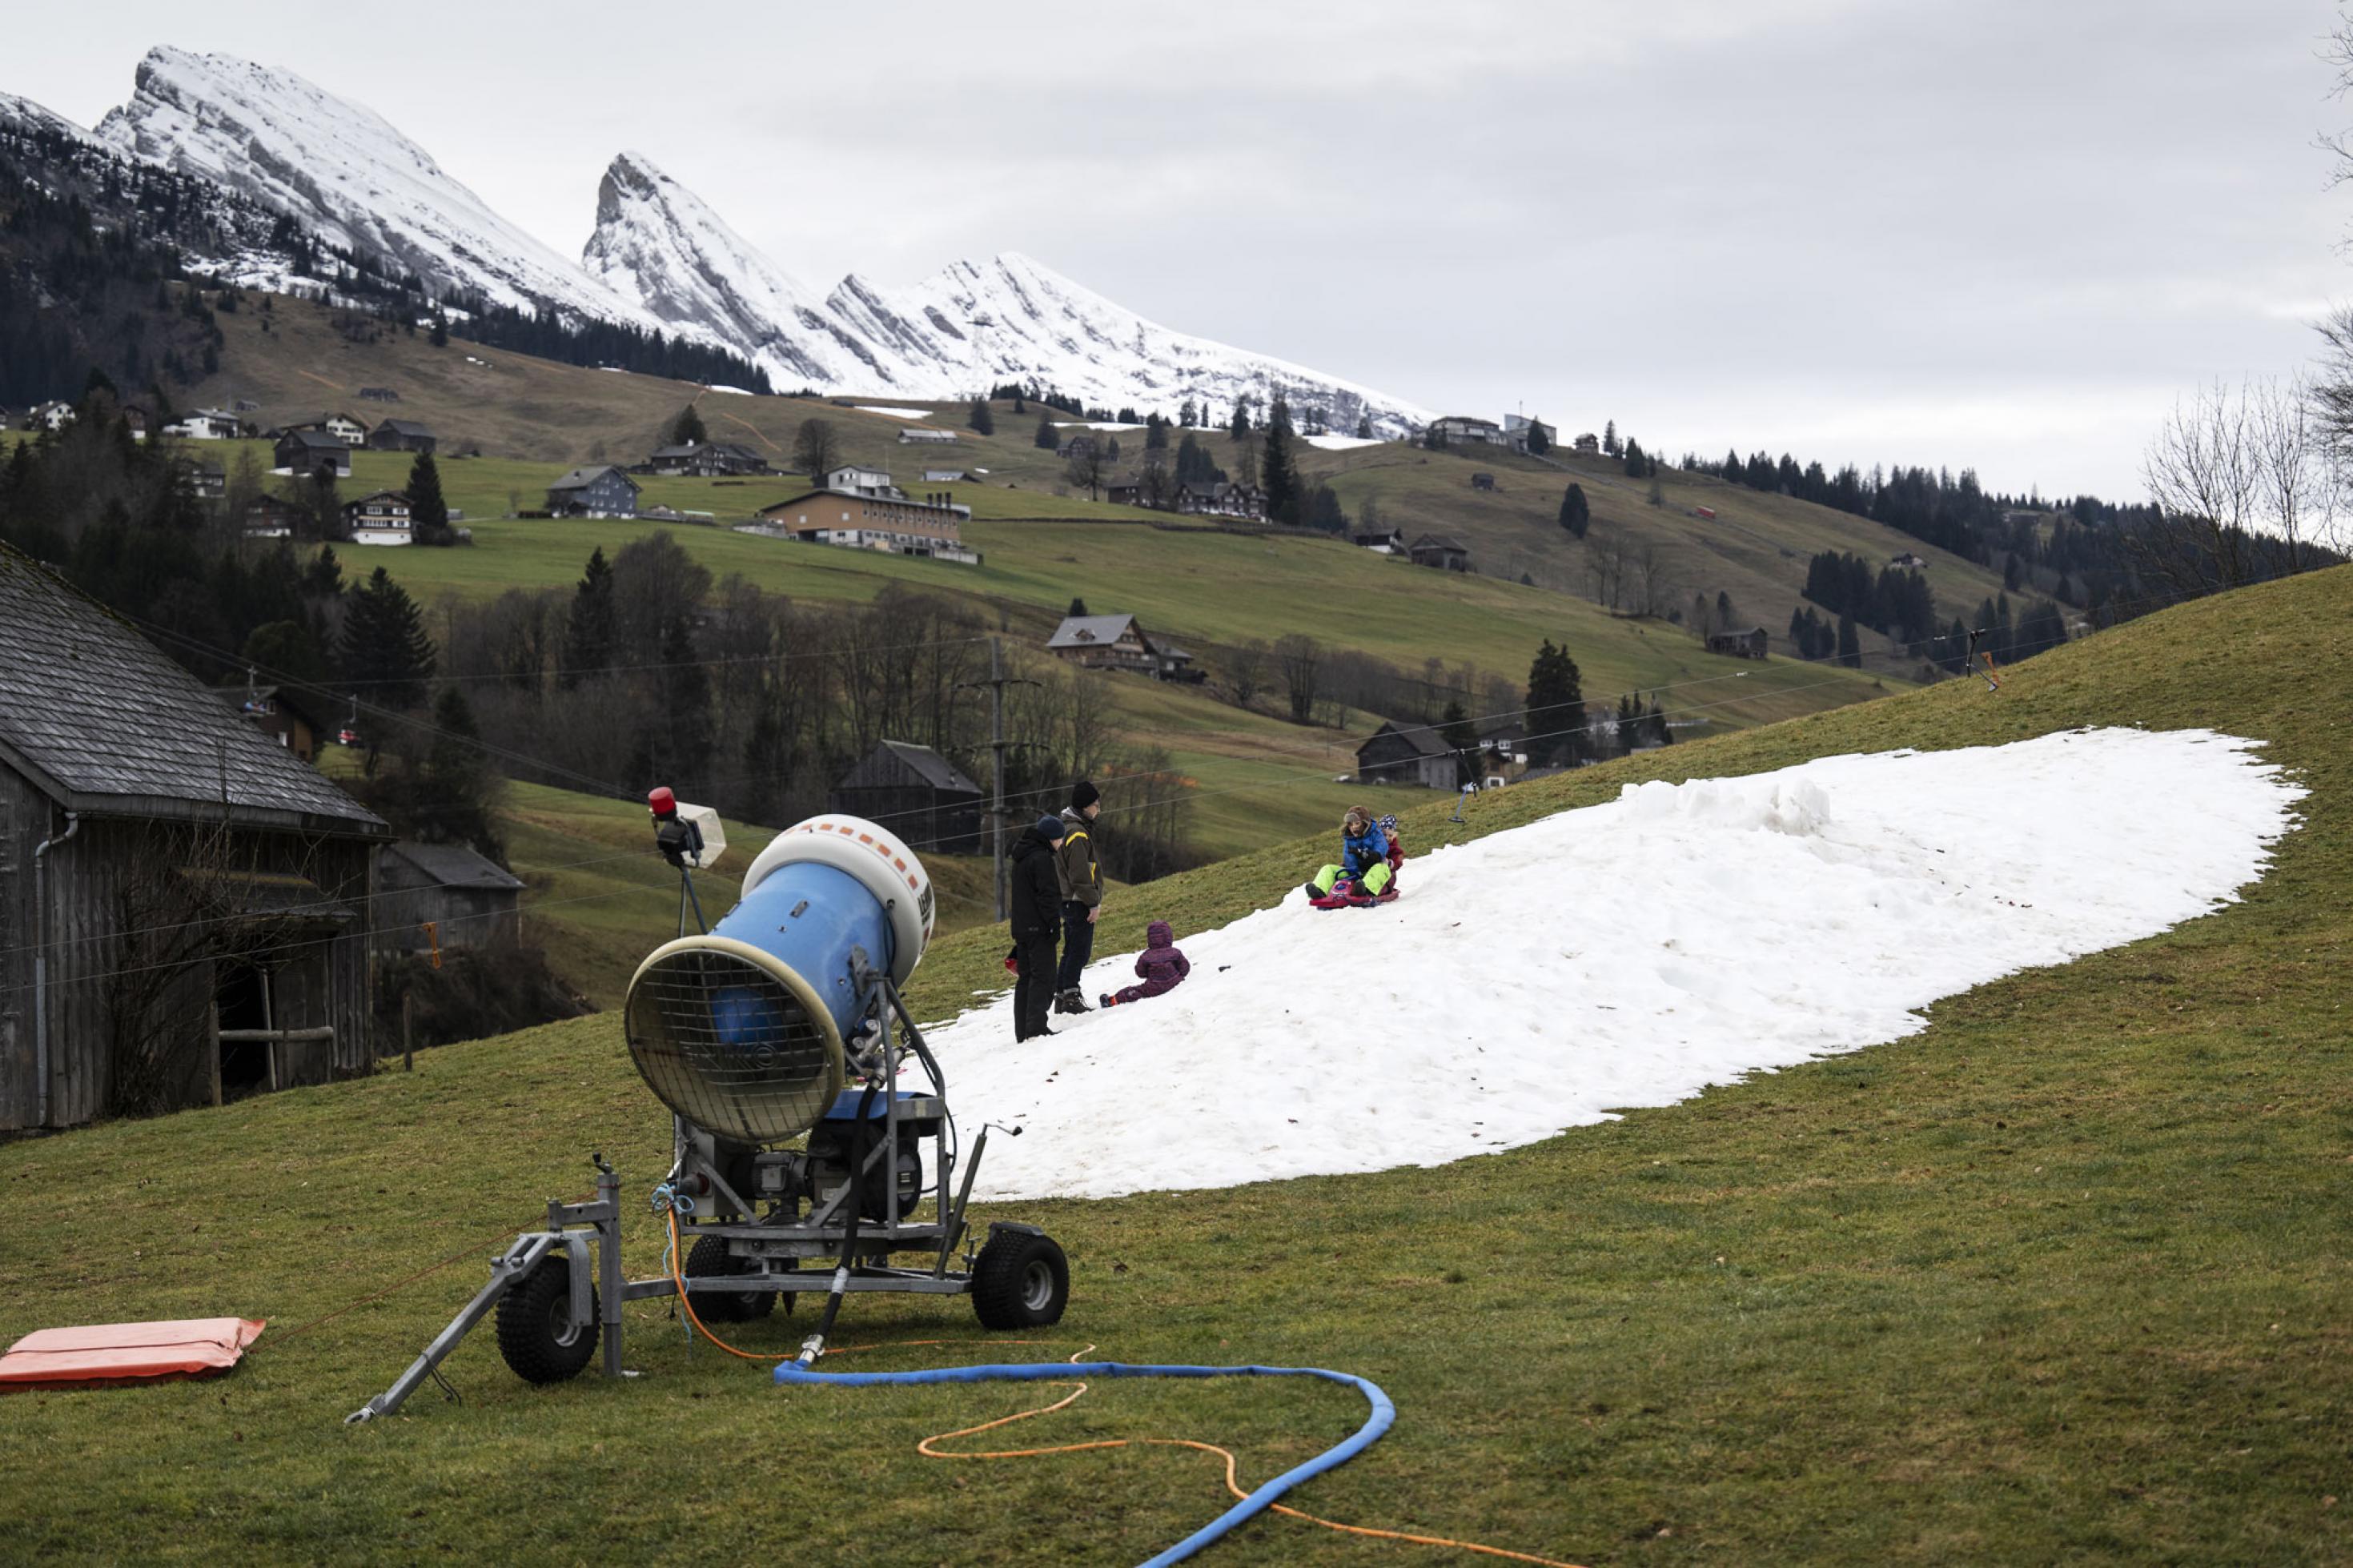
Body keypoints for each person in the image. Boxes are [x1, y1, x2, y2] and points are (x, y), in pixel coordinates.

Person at [1007, 813, 1066, 1041]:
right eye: (1060, 839)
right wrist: (1054, 925)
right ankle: (1036, 1028)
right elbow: (1047, 896)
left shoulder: (1021, 856)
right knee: (1044, 977)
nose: (1061, 844)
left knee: (1026, 978)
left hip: (1022, 927)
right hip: (1039, 928)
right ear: (1051, 837)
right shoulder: (1041, 859)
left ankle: (1023, 1030)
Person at [1053, 780, 1103, 1013]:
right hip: (1078, 900)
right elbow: (1081, 873)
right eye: (1095, 805)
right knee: (1080, 950)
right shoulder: (1078, 833)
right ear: (1084, 807)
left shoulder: (1065, 827)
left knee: (1071, 948)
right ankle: (1071, 996)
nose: (1098, 809)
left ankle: (1061, 996)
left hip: (1067, 899)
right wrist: (1092, 902)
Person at [1305, 805, 1394, 901]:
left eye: (1357, 823)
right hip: (1354, 873)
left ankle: (1365, 890)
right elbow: (1349, 858)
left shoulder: (1376, 834)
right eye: (1350, 825)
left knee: (1382, 868)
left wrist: (1366, 855)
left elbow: (1380, 851)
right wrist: (1354, 872)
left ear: (1365, 823)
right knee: (1328, 869)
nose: (1353, 827)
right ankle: (1319, 891)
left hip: (1372, 869)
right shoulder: (1349, 838)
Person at [1099, 920, 1190, 1009]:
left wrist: (1151, 973)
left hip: (1153, 988)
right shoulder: (1175, 952)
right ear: (1169, 936)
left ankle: (1112, 1000)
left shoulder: (1146, 956)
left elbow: (1140, 973)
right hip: (1175, 982)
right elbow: (1185, 969)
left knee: (1134, 992)